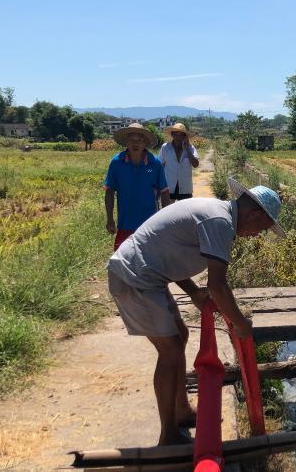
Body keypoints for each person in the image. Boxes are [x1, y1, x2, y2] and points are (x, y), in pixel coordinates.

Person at [107, 180, 285, 445]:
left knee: (180, 335)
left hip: (146, 274)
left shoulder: (217, 214)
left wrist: (192, 292)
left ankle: (181, 411)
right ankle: (168, 435)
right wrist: (240, 324)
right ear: (254, 214)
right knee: (169, 351)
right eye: (262, 228)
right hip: (135, 277)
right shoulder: (220, 222)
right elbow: (217, 286)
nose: (258, 235)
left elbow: (169, 253)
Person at [104, 122, 170, 250]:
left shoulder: (155, 163)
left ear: (145, 143)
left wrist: (166, 220)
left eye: (139, 140)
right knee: (122, 260)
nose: (135, 144)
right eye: (131, 140)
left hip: (149, 225)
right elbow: (109, 191)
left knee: (148, 260)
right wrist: (110, 219)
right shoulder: (117, 162)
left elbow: (164, 192)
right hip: (125, 224)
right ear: (126, 142)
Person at [158, 122, 200, 203]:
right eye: (176, 134)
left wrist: (187, 149)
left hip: (185, 186)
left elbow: (196, 164)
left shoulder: (190, 148)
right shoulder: (165, 148)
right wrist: (159, 183)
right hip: (169, 185)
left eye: (181, 135)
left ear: (184, 136)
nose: (178, 137)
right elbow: (160, 165)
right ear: (172, 135)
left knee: (185, 209)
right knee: (169, 209)